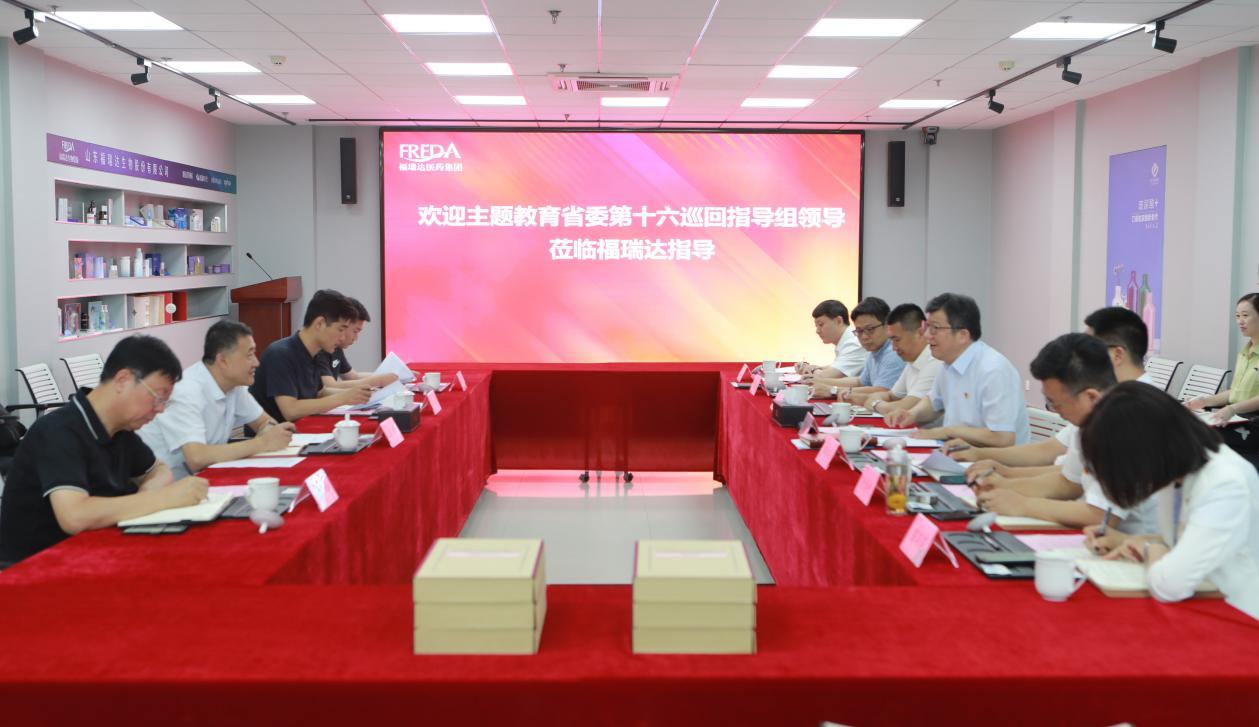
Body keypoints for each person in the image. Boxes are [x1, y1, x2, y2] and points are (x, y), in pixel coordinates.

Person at [0, 335, 209, 564]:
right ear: (122, 380)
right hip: (38, 567)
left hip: (95, 552)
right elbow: (74, 516)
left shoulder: (119, 429)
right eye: (157, 397)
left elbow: (158, 469)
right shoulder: (58, 431)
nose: (160, 410)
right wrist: (162, 499)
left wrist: (148, 495)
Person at [1082, 382, 1259, 620]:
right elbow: (1182, 539)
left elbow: (1169, 585)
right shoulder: (1179, 468)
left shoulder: (1225, 483)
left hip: (1236, 615)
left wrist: (1151, 548)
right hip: (1201, 600)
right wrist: (1131, 541)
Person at [973, 334, 1158, 532]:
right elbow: (1067, 483)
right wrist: (1004, 486)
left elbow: (1101, 516)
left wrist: (1023, 505)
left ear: (1090, 397)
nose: (1057, 412)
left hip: (1137, 543)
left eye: (1055, 403)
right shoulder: (1089, 420)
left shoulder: (1124, 424)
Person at [955, 306, 1156, 473]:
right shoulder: (1107, 398)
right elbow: (1050, 452)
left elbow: (1074, 483)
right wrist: (978, 454)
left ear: (1117, 355)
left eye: (1091, 347)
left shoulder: (1138, 410)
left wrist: (1006, 478)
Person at [138, 321, 296, 479]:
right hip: (168, 484)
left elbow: (264, 422)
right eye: (249, 355)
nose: (256, 362)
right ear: (223, 361)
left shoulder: (233, 386)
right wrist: (262, 443)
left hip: (204, 477)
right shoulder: (187, 391)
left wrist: (270, 432)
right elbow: (197, 457)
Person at [885, 293, 1030, 446]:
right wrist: (911, 414)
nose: (927, 335)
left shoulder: (993, 370)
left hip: (993, 459)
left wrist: (948, 432)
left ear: (962, 335)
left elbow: (1002, 438)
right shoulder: (948, 363)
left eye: (935, 328)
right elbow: (933, 402)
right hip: (958, 452)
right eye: (927, 327)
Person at [249, 289, 371, 422]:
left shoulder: (314, 353)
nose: (342, 337)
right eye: (340, 329)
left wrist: (357, 394)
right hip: (275, 433)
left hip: (302, 428)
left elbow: (319, 393)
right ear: (320, 324)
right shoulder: (280, 354)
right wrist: (343, 398)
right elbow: (291, 410)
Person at [1187, 293, 1259, 467]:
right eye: (1237, 316)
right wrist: (1205, 401)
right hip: (1237, 417)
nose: (1240, 321)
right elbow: (1235, 392)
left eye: (1245, 315)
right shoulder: (1245, 352)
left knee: (1198, 436)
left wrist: (1232, 409)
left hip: (1253, 422)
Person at [852, 303, 940, 421]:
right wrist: (877, 401)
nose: (893, 348)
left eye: (897, 340)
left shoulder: (934, 361)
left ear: (920, 333)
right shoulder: (912, 360)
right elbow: (891, 395)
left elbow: (904, 408)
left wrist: (875, 404)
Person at [811, 297, 905, 399]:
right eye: (859, 331)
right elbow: (860, 382)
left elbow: (882, 391)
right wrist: (818, 381)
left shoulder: (894, 352)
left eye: (870, 329)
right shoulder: (874, 351)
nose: (864, 337)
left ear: (887, 325)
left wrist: (833, 390)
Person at [316, 297, 398, 392]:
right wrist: (377, 381)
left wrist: (390, 376)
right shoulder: (320, 348)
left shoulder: (336, 346)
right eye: (355, 331)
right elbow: (329, 386)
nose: (356, 338)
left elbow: (353, 376)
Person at [796, 299, 865, 382]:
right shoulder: (847, 339)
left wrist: (811, 370)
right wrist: (812, 367)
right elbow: (836, 367)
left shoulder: (854, 343)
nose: (817, 331)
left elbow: (828, 376)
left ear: (839, 321)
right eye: (816, 326)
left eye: (821, 325)